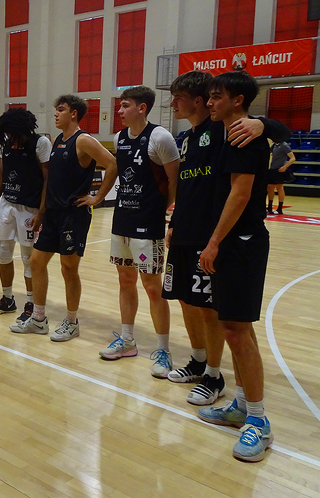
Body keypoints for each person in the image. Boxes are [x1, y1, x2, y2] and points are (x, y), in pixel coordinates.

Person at [163, 70, 290, 406]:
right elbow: (188, 184)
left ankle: (217, 378)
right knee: (191, 303)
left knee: (219, 315)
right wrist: (175, 220)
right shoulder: (189, 137)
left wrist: (261, 124)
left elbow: (280, 133)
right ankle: (202, 365)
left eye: (178, 97)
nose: (173, 103)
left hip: (219, 237)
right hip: (189, 231)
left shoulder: (227, 129)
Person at [198, 71, 273, 462]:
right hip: (230, 242)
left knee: (236, 331)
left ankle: (259, 421)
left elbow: (241, 195)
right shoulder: (227, 133)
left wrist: (213, 242)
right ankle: (242, 406)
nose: (209, 103)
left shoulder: (245, 136)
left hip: (242, 243)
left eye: (216, 96)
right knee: (235, 326)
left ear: (238, 100)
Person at [10, 94, 117, 341]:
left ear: (74, 114)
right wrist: (42, 212)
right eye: (56, 110)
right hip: (53, 213)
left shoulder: (84, 140)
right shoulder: (58, 140)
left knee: (68, 268)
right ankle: (38, 319)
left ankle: (71, 321)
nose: (55, 114)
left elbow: (112, 164)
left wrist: (98, 197)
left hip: (73, 213)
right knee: (36, 262)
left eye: (61, 110)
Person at [96, 86, 180, 379]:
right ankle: (127, 340)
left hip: (148, 225)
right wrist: (98, 197)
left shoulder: (160, 137)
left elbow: (174, 181)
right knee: (125, 281)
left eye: (125, 105)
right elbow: (118, 173)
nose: (119, 111)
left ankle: (163, 350)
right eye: (120, 106)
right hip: (122, 222)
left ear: (142, 108)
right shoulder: (120, 138)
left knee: (153, 287)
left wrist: (162, 210)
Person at [0, 107, 51, 323]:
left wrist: (42, 211)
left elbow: (47, 179)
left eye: (11, 132)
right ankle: (7, 298)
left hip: (29, 207)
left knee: (28, 258)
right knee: (4, 253)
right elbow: (1, 175)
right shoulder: (6, 144)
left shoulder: (40, 143)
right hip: (7, 203)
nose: (8, 135)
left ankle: (31, 302)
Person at [267, 141, 295, 215]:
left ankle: (280, 208)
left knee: (279, 187)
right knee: (270, 187)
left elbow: (293, 158)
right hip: (272, 169)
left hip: (279, 169)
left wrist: (285, 167)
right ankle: (269, 207)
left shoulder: (284, 145)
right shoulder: (274, 145)